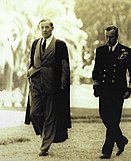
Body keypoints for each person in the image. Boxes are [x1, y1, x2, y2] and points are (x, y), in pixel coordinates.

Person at [24, 18, 71, 156]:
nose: (44, 30)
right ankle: (46, 133)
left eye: (47, 27)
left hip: (52, 86)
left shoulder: (60, 44)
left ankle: (44, 147)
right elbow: (32, 62)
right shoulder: (35, 44)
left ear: (52, 28)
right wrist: (29, 73)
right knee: (34, 113)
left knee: (50, 116)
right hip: (36, 84)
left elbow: (64, 66)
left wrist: (63, 84)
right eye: (42, 28)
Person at [92, 25, 131, 159]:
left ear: (117, 36)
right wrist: (96, 86)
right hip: (104, 90)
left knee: (114, 119)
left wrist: (130, 89)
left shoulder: (126, 51)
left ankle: (107, 151)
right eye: (106, 36)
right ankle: (121, 139)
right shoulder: (100, 50)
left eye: (111, 37)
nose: (108, 39)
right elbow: (96, 70)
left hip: (118, 91)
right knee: (104, 116)